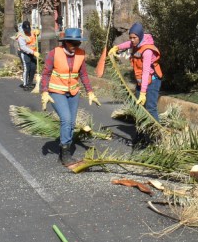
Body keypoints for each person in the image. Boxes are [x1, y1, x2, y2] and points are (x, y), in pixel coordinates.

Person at [39, 28, 99, 165]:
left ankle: (63, 151)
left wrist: (90, 91)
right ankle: (66, 155)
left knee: (71, 123)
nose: (75, 46)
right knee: (66, 119)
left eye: (77, 43)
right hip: (56, 91)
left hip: (73, 92)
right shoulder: (54, 54)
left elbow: (83, 74)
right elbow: (46, 74)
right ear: (65, 42)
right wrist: (44, 92)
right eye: (72, 43)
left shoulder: (80, 54)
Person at [108, 22, 163, 121]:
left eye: (135, 38)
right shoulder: (136, 43)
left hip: (152, 81)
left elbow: (146, 72)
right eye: (131, 37)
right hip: (141, 81)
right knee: (138, 108)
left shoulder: (147, 51)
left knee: (150, 109)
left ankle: (156, 135)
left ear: (140, 37)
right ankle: (140, 135)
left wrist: (143, 93)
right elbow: (127, 44)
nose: (132, 40)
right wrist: (117, 48)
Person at [15, 20, 39, 89]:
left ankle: (30, 83)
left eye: (28, 29)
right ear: (23, 29)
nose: (27, 31)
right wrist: (33, 52)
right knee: (27, 68)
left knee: (33, 68)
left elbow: (36, 35)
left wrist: (38, 32)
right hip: (24, 53)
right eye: (26, 30)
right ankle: (25, 84)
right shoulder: (21, 36)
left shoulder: (32, 31)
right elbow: (23, 47)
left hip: (33, 53)